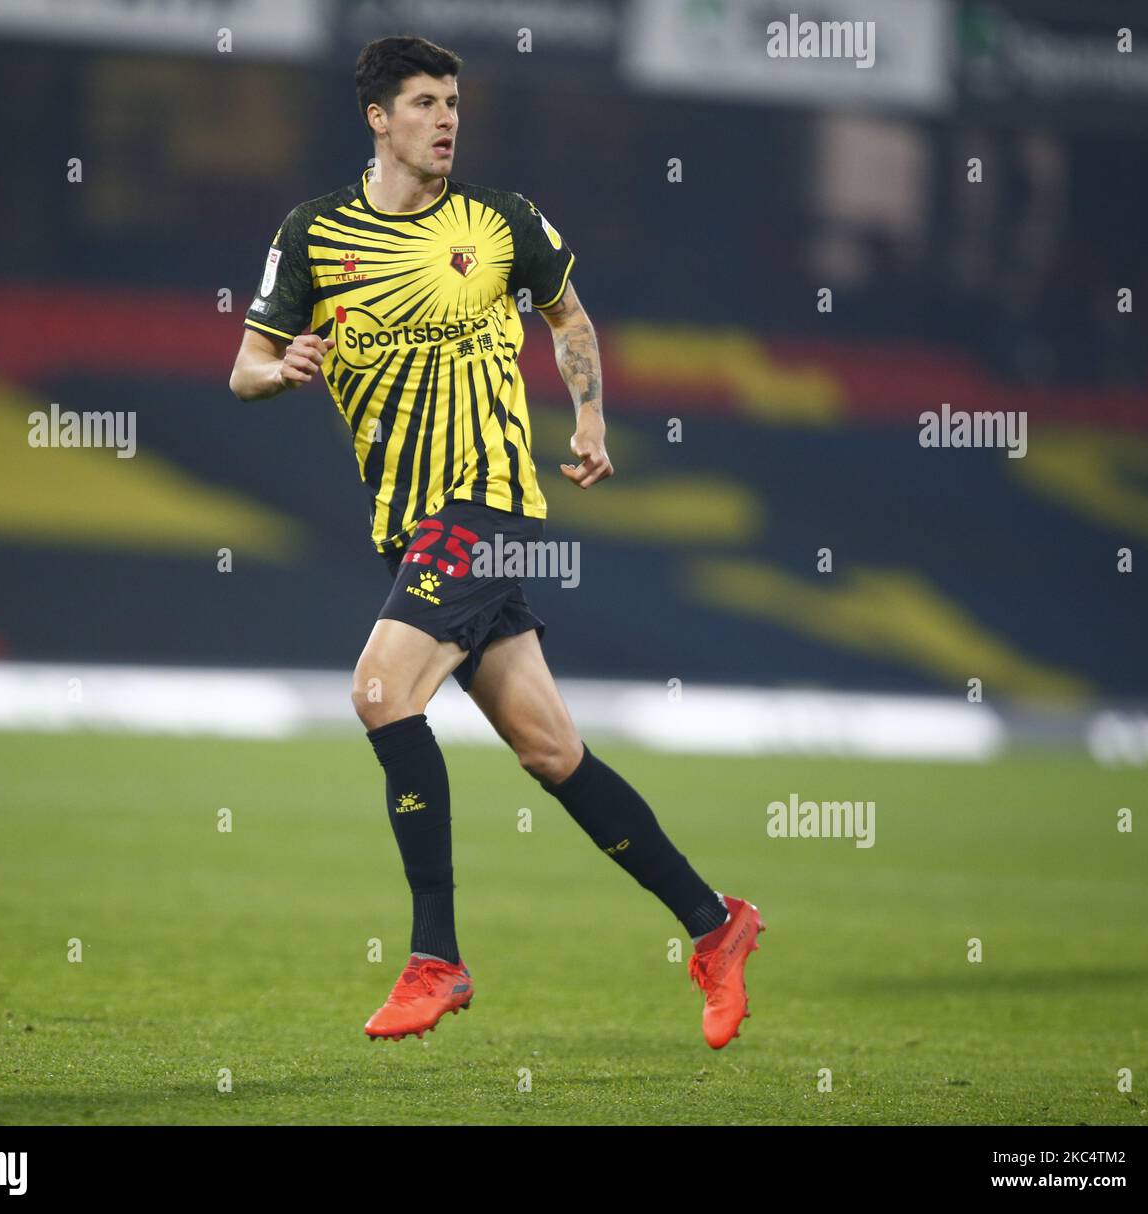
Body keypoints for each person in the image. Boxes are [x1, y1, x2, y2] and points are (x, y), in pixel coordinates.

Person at [229, 35, 764, 1049]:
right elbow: (243, 370)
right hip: (411, 527)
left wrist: (592, 418)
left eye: (454, 102)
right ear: (377, 118)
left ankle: (437, 958)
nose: (446, 119)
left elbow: (569, 318)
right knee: (552, 751)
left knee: (381, 691)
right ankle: (715, 922)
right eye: (424, 102)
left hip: (487, 508)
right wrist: (286, 361)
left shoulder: (500, 221)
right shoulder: (312, 237)